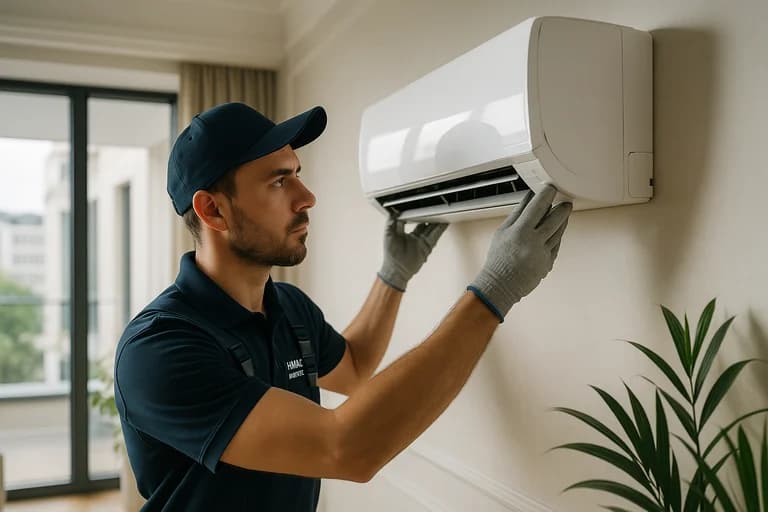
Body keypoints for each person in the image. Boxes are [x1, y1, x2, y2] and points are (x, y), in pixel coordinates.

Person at [114, 102, 572, 512]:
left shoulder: (287, 305)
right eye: (279, 181)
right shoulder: (159, 348)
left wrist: (394, 276)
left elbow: (353, 368)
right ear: (213, 211)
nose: (306, 197)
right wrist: (495, 290)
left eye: (296, 173)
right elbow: (345, 448)